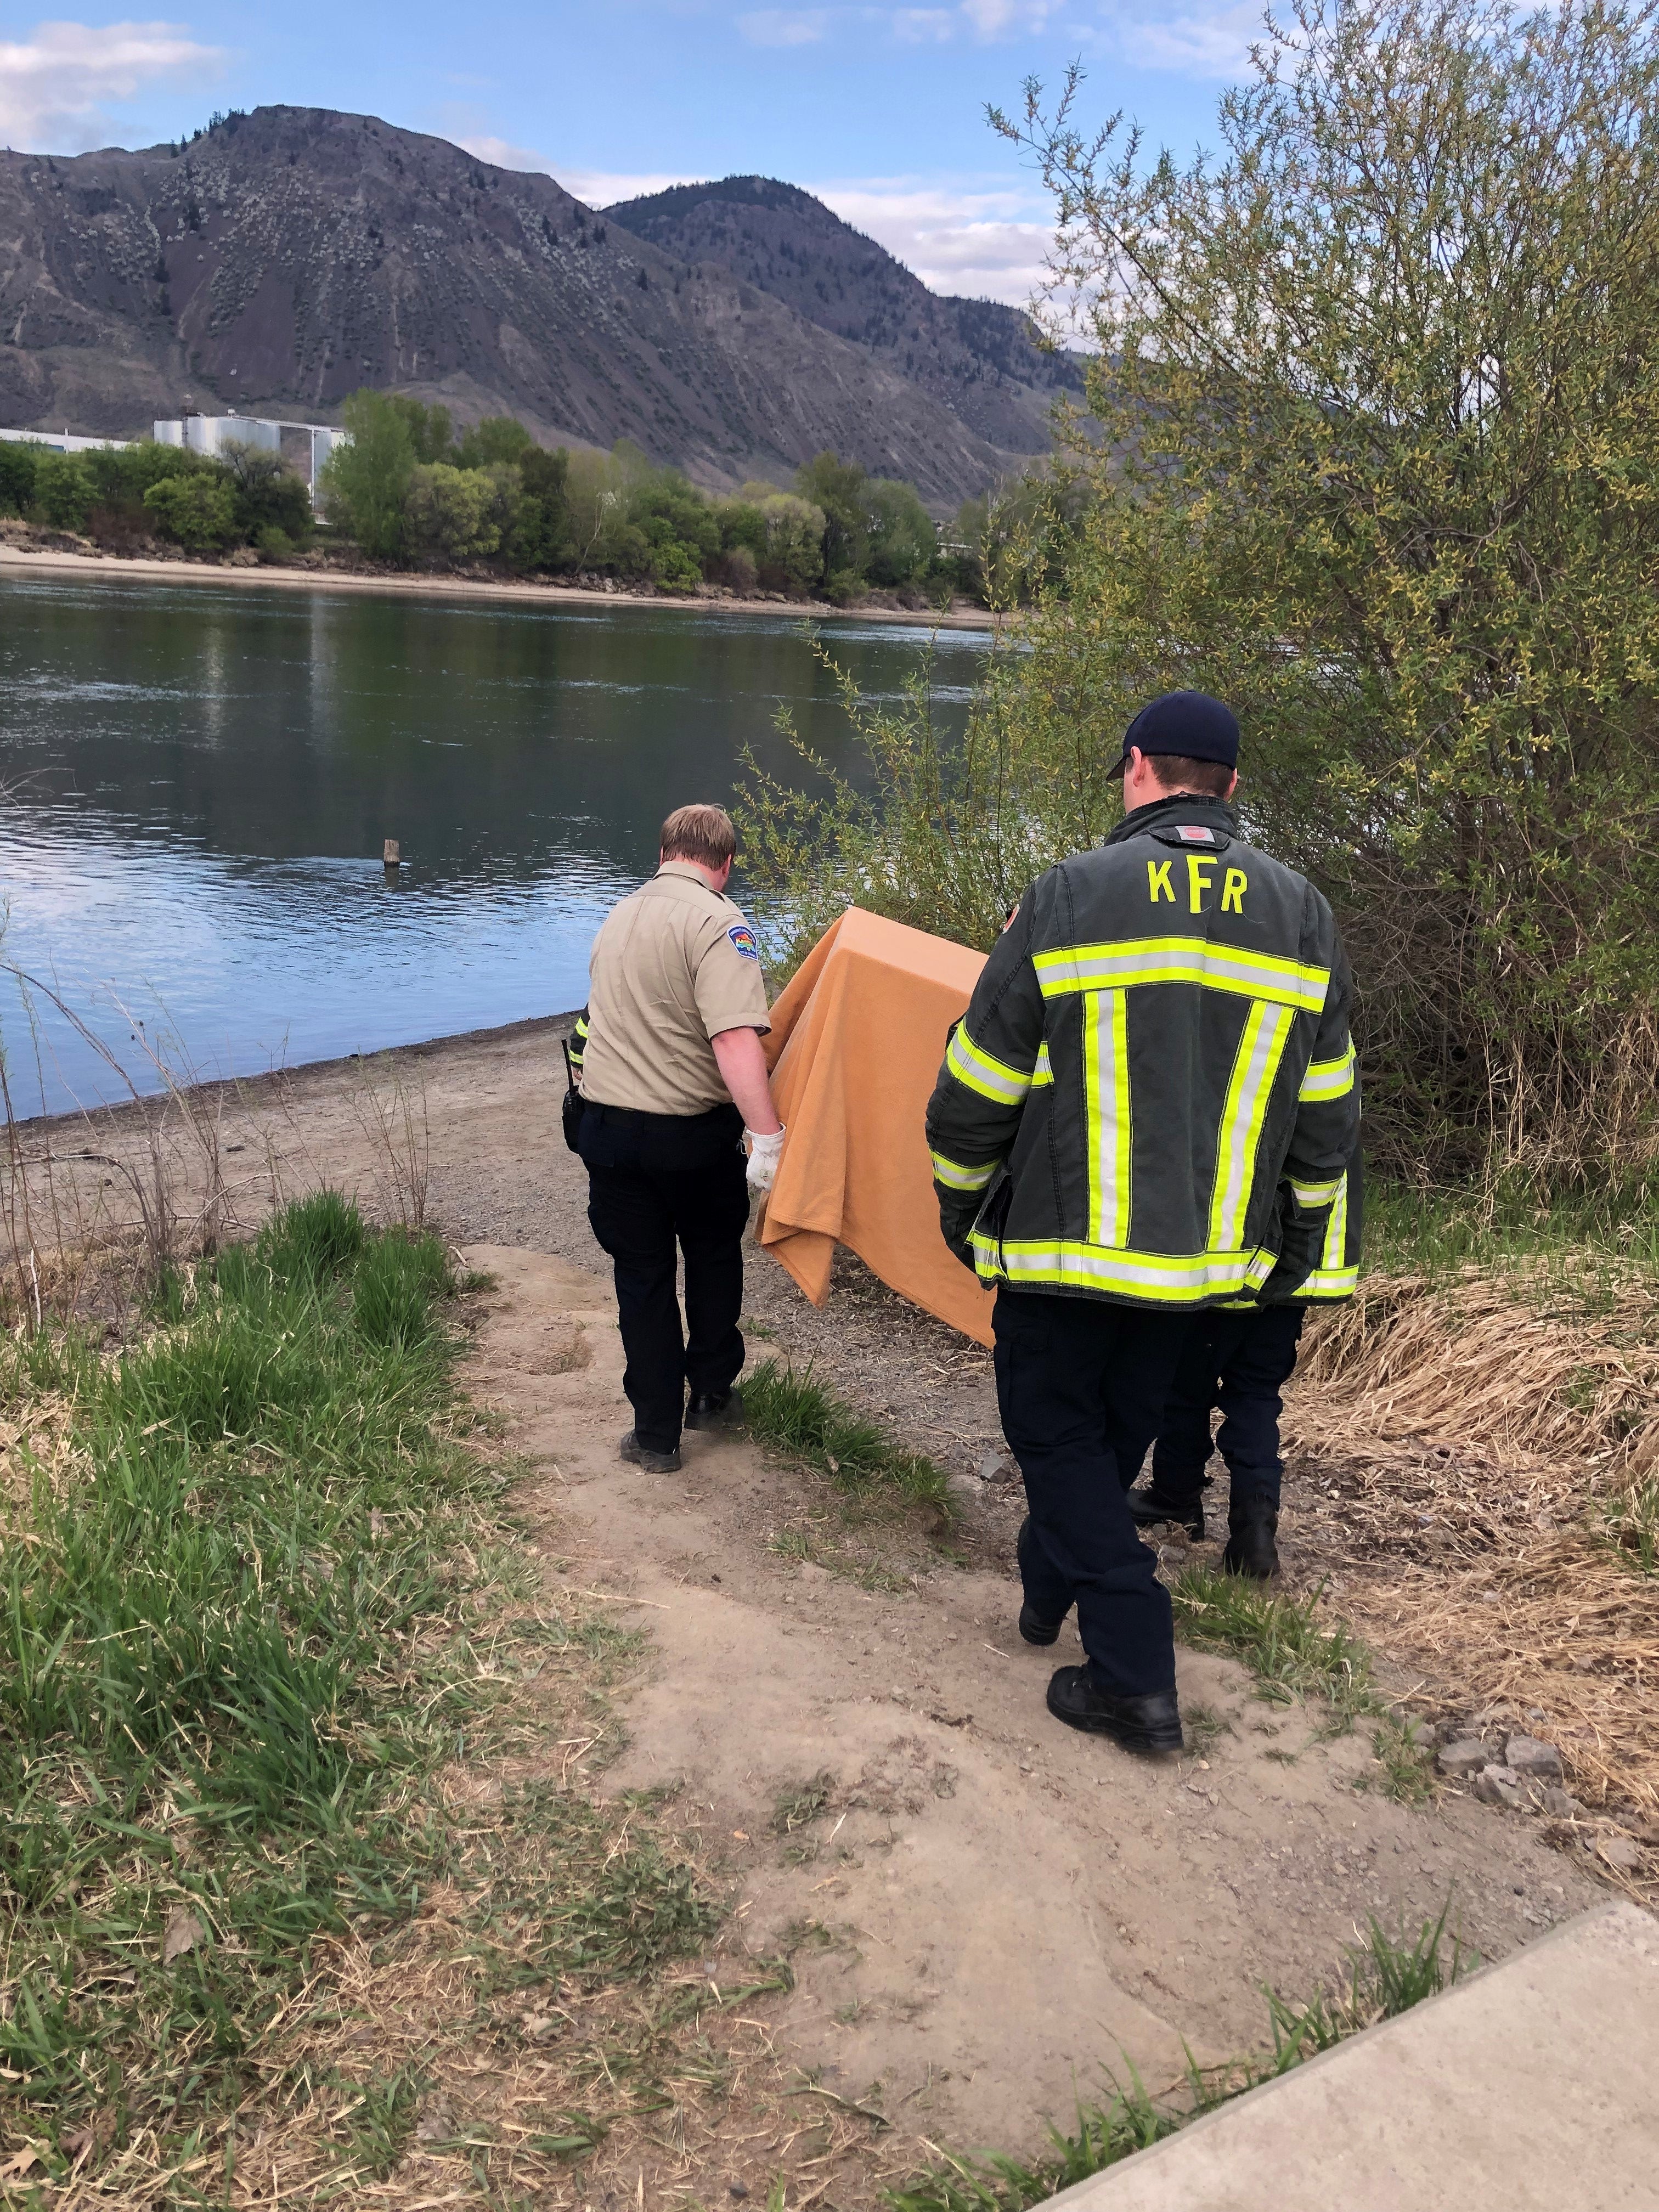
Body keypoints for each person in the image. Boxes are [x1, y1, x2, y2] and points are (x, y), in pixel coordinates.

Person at [924, 691, 1361, 1753]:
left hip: (1063, 1261)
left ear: (1134, 771)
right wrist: (1293, 1253)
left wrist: (963, 1211)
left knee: (1053, 1438)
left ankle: (1136, 1671)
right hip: (1200, 1273)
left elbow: (972, 1091)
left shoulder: (1071, 895)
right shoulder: (1303, 913)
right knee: (1106, 1443)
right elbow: (1326, 1117)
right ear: (1232, 790)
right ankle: (1041, 1599)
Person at [568, 803, 785, 1474]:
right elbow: (733, 1036)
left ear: (663, 853)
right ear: (723, 864)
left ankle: (655, 1435)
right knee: (714, 1257)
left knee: (642, 1278)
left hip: (607, 1131)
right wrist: (767, 1136)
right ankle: (712, 1397)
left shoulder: (617, 916)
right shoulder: (720, 922)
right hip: (691, 1136)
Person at [1127, 1143, 1363, 1577]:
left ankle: (1177, 1497)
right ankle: (1254, 1531)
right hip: (1300, 1252)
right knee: (1256, 1392)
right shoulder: (1337, 1072)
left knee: (1184, 1386)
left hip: (1225, 1243)